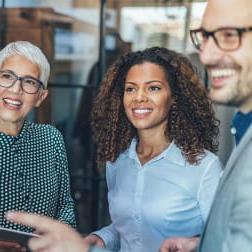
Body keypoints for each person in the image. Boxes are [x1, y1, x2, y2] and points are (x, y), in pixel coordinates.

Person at [7, 46, 222, 252]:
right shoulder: (117, 160)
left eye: (153, 88)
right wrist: (101, 238)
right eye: (131, 89)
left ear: (174, 97)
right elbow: (126, 230)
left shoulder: (204, 167)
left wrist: (193, 244)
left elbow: (226, 239)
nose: (139, 97)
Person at [159, 0, 252, 251]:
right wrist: (204, 245)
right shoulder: (243, 125)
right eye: (205, 37)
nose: (206, 56)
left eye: (229, 35)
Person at [0, 41, 76, 250]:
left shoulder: (51, 138)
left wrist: (59, 239)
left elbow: (65, 206)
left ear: (40, 97)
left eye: (30, 82)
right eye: (7, 76)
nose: (16, 90)